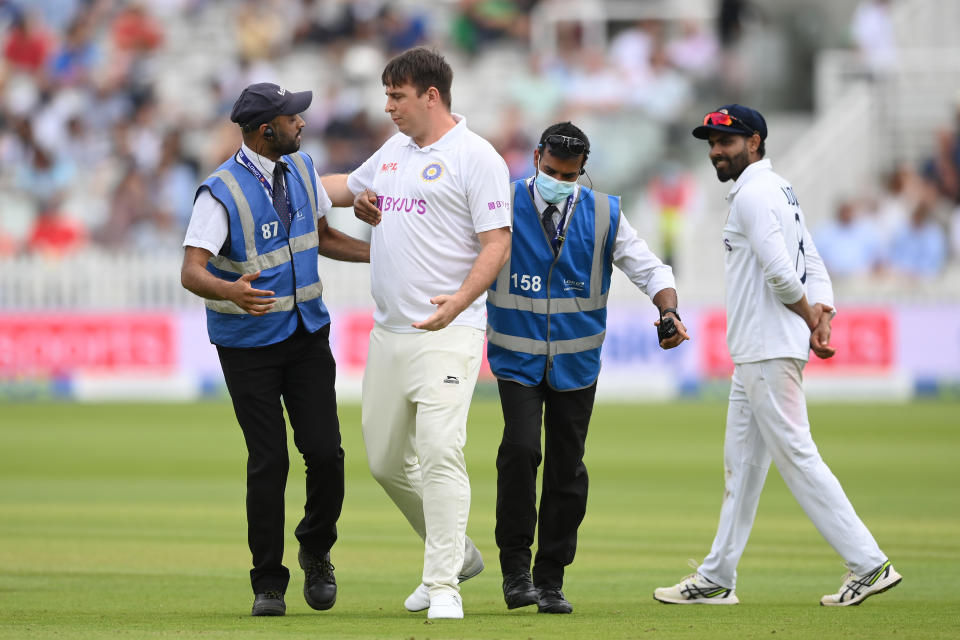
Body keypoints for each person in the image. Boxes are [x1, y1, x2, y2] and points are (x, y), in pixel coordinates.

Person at [654, 104, 901, 607]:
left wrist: (812, 316)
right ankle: (717, 576)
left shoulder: (756, 194)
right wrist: (824, 311)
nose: (716, 151)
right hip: (756, 352)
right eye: (712, 143)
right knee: (741, 469)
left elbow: (783, 273)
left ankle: (868, 563)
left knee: (796, 455)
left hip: (768, 348)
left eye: (727, 142)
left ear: (756, 142)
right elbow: (812, 258)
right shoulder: (778, 189)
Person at [323, 47, 512, 620]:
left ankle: (444, 585)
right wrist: (277, 181)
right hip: (390, 332)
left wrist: (459, 302)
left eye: (397, 97)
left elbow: (496, 243)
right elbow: (337, 188)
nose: (388, 108)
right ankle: (458, 553)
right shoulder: (395, 150)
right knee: (383, 462)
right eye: (386, 96)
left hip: (449, 330)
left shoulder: (476, 157)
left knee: (438, 451)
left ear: (431, 95)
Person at [180, 82, 370, 617]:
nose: (303, 123)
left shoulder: (303, 169)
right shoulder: (219, 191)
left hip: (307, 335)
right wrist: (230, 290)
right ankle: (268, 581)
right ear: (268, 129)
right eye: (294, 117)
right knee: (269, 462)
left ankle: (316, 548)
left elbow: (325, 238)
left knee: (327, 454)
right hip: (248, 347)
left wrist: (383, 257)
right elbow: (192, 269)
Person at [486, 122, 689, 615]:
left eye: (570, 175)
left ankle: (550, 579)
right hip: (516, 357)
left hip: (577, 363)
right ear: (535, 158)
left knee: (566, 470)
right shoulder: (500, 202)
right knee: (520, 452)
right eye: (552, 171)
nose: (559, 180)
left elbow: (651, 268)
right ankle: (515, 569)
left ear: (582, 171)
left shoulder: (604, 213)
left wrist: (668, 310)